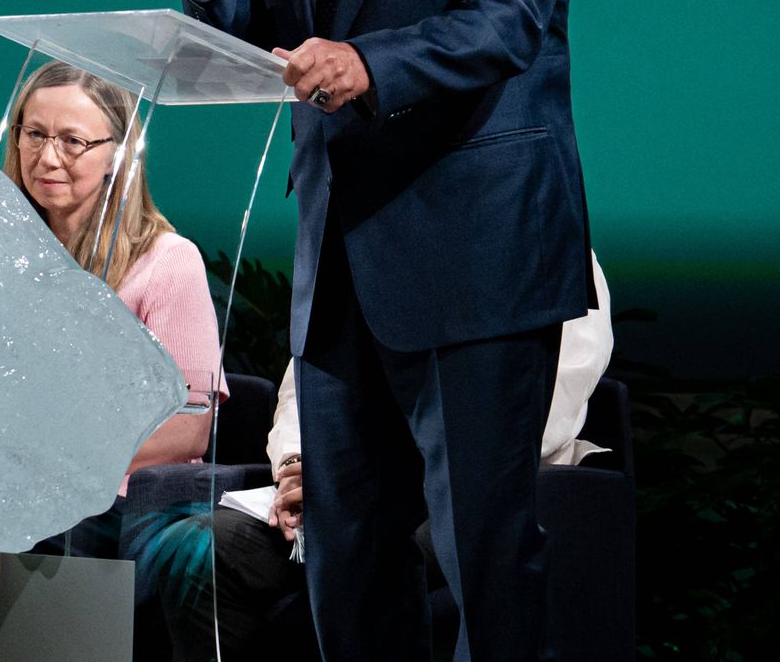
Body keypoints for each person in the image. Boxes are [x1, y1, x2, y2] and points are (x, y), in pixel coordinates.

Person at [178, 0, 593, 660]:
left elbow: (510, 19)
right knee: (346, 556)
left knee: (482, 554)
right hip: (340, 276)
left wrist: (369, 64)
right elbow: (262, 46)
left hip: (475, 260)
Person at [166, 258, 615, 661]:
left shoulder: (539, 239)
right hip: (342, 484)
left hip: (464, 488)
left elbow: (545, 401)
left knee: (370, 547)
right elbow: (306, 386)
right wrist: (296, 467)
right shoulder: (365, 248)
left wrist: (404, 466)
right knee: (203, 549)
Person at [4, 60, 228, 556]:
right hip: (9, 488)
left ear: (118, 155)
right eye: (34, 134)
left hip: (121, 502)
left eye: (72, 141)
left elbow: (189, 429)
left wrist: (57, 460)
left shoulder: (168, 261)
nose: (47, 158)